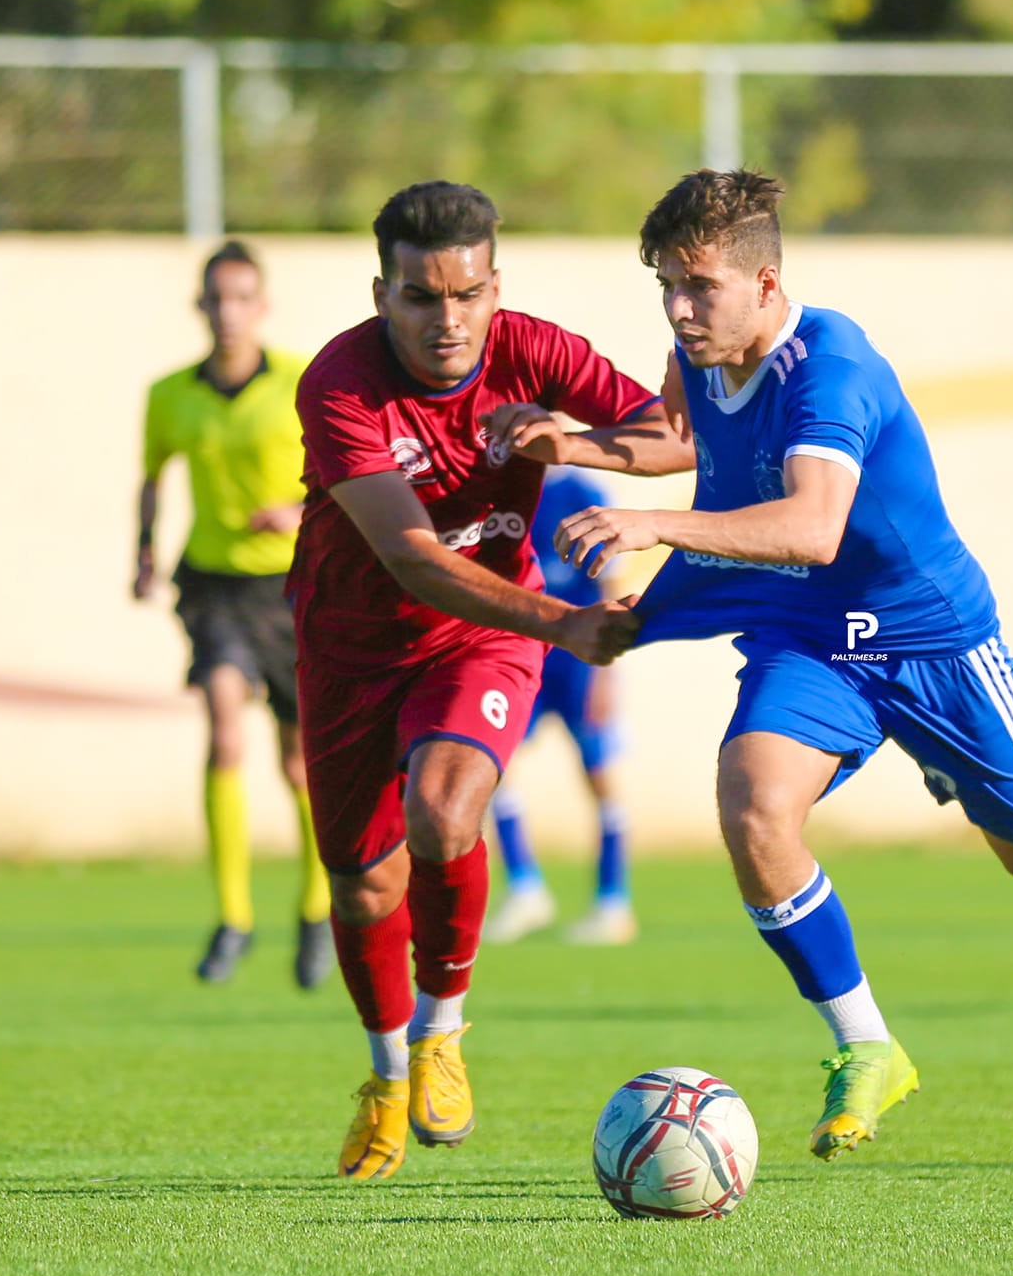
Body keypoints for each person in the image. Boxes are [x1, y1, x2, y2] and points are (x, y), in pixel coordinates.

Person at [491, 169, 1013, 1168]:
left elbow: (812, 525)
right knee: (753, 808)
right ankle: (866, 1043)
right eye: (666, 286)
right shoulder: (697, 354)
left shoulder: (833, 369)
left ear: (766, 284)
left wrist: (651, 524)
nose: (679, 309)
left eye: (698, 287)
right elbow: (677, 438)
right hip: (812, 632)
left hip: (932, 639)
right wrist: (573, 442)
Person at [290, 181, 662, 1181]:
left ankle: (441, 1030)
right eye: (420, 297)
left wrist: (570, 443)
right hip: (350, 650)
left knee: (446, 808)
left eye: (466, 294)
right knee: (362, 885)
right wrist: (567, 625)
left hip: (480, 637)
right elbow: (411, 557)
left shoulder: (534, 350)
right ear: (382, 294)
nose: (446, 320)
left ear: (495, 286)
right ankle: (385, 1077)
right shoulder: (339, 383)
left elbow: (670, 433)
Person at [134, 240, 332, 989]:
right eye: (217, 299)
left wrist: (298, 511)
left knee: (298, 761)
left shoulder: (299, 382)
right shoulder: (170, 395)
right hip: (213, 584)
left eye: (242, 298)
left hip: (291, 585)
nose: (228, 312)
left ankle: (316, 909)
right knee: (222, 723)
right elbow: (152, 477)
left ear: (262, 306)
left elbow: (346, 470)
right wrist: (143, 553)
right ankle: (233, 918)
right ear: (200, 306)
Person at [483, 465, 638, 947]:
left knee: (600, 774)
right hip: (525, 651)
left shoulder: (582, 490)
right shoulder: (503, 488)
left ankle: (613, 900)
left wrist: (607, 673)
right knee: (495, 769)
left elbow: (612, 585)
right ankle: (525, 888)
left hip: (580, 660)